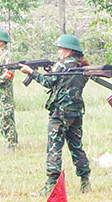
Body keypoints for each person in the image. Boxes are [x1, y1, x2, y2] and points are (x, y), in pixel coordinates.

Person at [23, 34, 92, 193]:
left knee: (54, 146)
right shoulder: (81, 65)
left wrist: (31, 72)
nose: (59, 51)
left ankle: (50, 185)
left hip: (60, 112)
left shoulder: (63, 64)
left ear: (69, 49)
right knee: (76, 146)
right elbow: (64, 82)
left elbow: (48, 82)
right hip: (75, 111)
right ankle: (85, 181)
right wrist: (50, 71)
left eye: (60, 48)